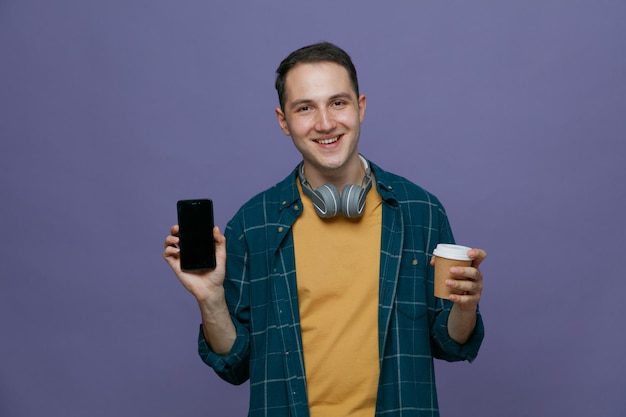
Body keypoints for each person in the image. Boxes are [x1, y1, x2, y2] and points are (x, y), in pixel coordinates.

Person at [163, 41, 486, 417]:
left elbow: (450, 344)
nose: (325, 123)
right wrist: (210, 299)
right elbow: (234, 364)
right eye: (305, 108)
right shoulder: (253, 223)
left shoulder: (421, 211)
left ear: (360, 107)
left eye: (338, 103)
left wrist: (465, 308)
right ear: (284, 121)